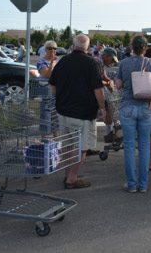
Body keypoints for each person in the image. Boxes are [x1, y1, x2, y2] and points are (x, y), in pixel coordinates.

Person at [49, 34, 105, 189]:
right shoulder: (91, 63)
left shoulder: (63, 62)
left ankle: (68, 173)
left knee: (67, 145)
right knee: (82, 146)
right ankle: (72, 179)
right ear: (87, 46)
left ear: (73, 46)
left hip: (63, 111)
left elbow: (52, 87)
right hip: (84, 113)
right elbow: (98, 90)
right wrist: (102, 108)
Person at [115, 35, 151, 192]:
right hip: (146, 107)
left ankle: (132, 184)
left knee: (129, 146)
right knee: (145, 145)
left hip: (128, 107)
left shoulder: (124, 63)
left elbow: (118, 85)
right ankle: (144, 184)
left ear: (131, 47)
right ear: (145, 48)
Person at [37, 40, 60, 137]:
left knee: (56, 114)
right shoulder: (41, 61)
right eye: (50, 48)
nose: (52, 50)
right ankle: (45, 139)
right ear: (45, 49)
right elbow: (47, 75)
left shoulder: (57, 60)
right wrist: (51, 64)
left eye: (54, 48)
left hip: (56, 90)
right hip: (46, 89)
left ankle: (56, 139)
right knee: (46, 114)